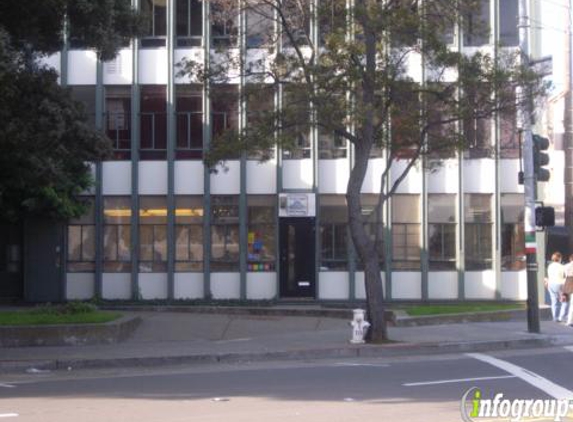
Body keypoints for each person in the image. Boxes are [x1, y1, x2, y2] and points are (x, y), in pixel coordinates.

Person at [546, 252, 568, 322]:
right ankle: (561, 317)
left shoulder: (550, 266)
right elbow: (565, 276)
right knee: (564, 301)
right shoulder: (561, 266)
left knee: (554, 301)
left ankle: (554, 317)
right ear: (559, 258)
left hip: (551, 284)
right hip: (559, 284)